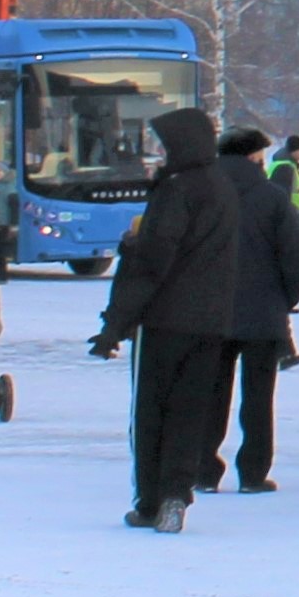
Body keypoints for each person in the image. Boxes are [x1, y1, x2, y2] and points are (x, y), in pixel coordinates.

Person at [89, 109, 242, 529]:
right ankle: (178, 493)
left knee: (153, 410)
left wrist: (115, 323)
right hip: (211, 321)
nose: (158, 151)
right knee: (191, 411)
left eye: (163, 143)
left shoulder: (176, 191)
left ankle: (151, 500)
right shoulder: (221, 187)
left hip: (165, 320)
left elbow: (154, 262)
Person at [199, 126, 299, 495]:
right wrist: (284, 299)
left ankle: (204, 469)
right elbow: (298, 259)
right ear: (253, 157)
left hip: (210, 313)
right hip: (263, 314)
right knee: (259, 397)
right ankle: (253, 472)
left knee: (211, 394)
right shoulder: (273, 198)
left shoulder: (201, 196)